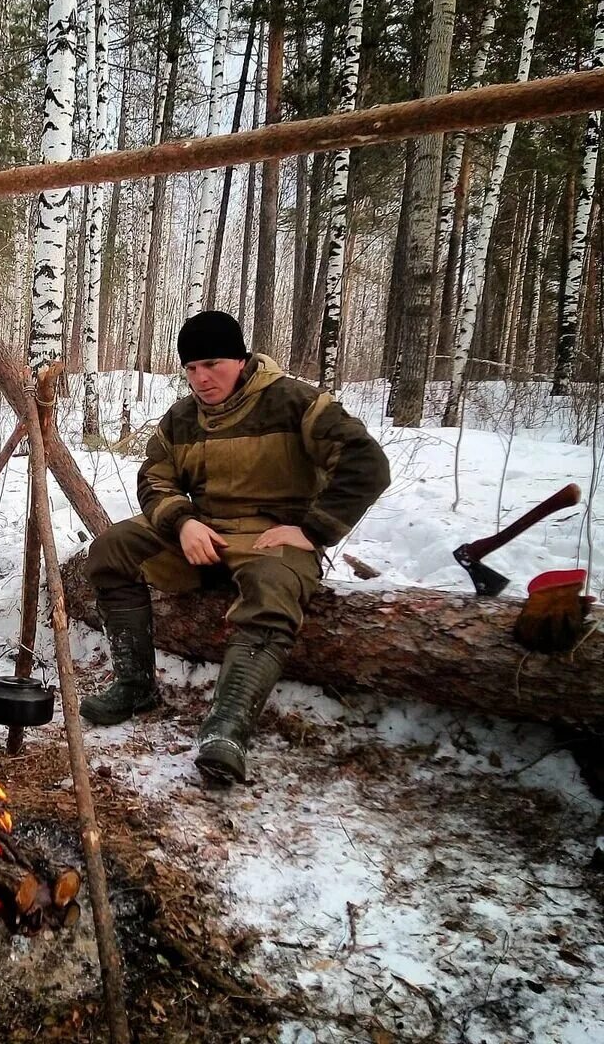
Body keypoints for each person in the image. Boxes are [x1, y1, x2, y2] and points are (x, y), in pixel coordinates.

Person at [80, 310, 390, 784]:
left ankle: (227, 726)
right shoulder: (183, 418)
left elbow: (366, 463)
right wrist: (182, 522)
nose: (201, 379)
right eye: (190, 369)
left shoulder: (294, 402)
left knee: (273, 588)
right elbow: (155, 477)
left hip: (272, 539)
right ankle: (134, 684)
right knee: (112, 549)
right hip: (202, 536)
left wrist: (312, 531)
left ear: (241, 359)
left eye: (212, 364)